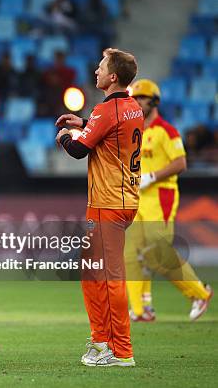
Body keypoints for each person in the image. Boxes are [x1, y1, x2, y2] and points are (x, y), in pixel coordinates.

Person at [55, 48, 142, 367]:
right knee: (92, 271)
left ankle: (120, 351)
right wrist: (85, 121)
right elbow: (110, 130)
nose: (96, 70)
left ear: (113, 77)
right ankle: (101, 340)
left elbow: (78, 150)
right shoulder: (132, 107)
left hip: (108, 203)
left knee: (109, 277)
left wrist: (65, 135)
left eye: (102, 66)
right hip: (123, 200)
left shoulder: (108, 111)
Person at [125, 79, 213, 322]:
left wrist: (151, 176)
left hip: (160, 195)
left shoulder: (167, 131)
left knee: (158, 249)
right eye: (134, 99)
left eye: (142, 98)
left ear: (154, 101)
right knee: (131, 253)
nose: (137, 103)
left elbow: (180, 163)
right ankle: (141, 310)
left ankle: (199, 293)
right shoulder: (136, 132)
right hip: (137, 197)